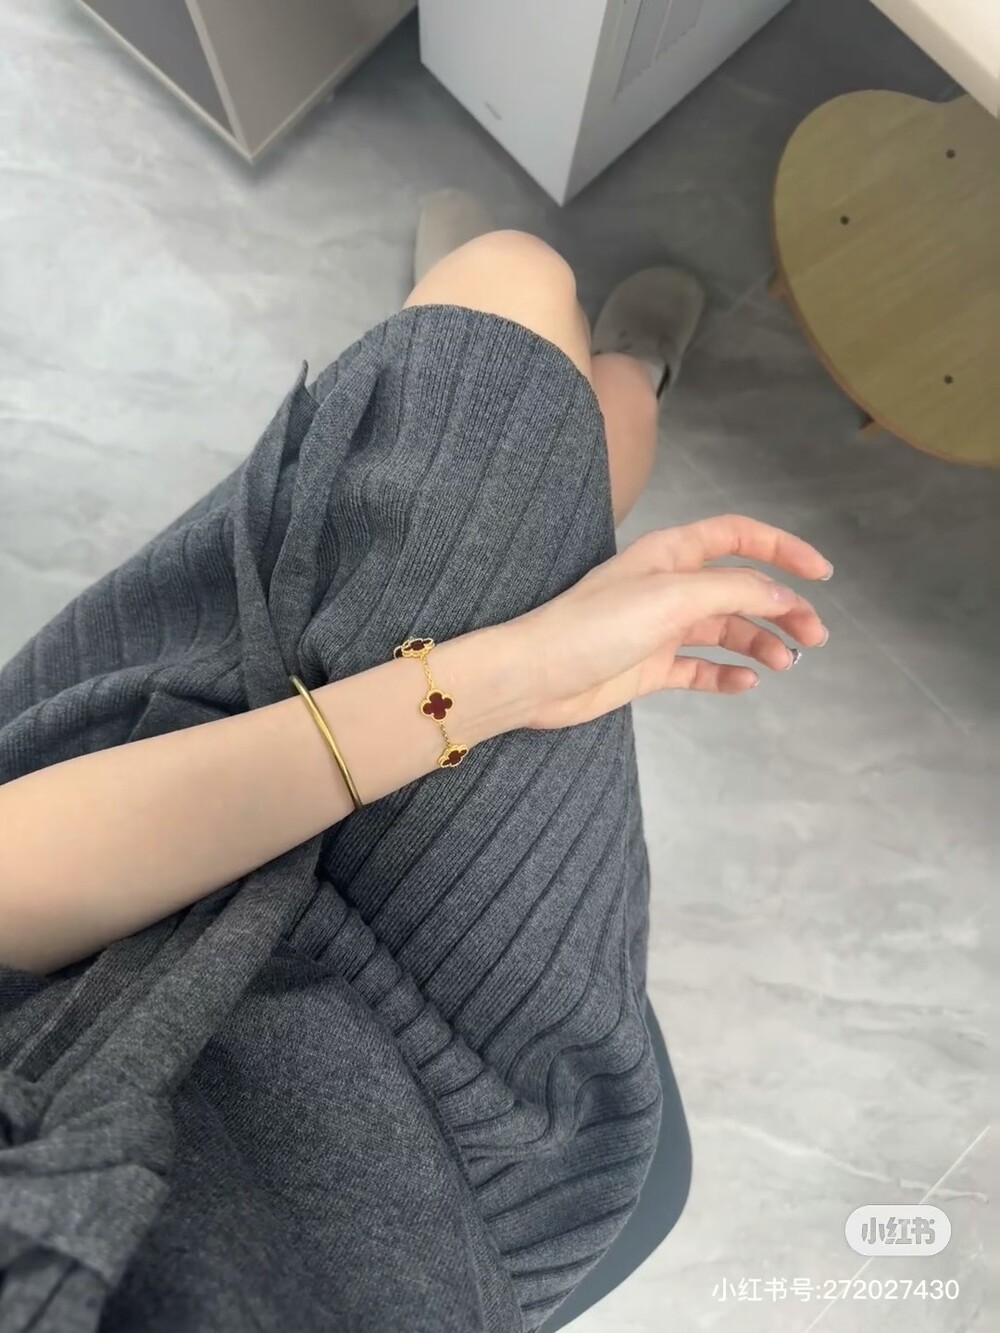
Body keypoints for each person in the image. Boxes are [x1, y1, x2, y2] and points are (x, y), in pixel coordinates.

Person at [0, 192, 830, 1332]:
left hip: (81, 914)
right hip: (451, 1135)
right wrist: (507, 664)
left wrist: (504, 675)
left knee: (505, 303)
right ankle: (624, 382)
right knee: (514, 336)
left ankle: (585, 410)